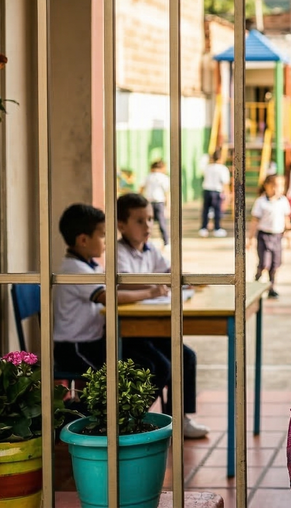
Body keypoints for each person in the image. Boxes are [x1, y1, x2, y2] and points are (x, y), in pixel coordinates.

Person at [114, 193, 210, 439]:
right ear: (121, 225)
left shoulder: (149, 249)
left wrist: (188, 280)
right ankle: (135, 419)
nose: (147, 226)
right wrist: (154, 287)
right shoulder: (119, 252)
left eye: (149, 219)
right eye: (139, 221)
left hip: (151, 328)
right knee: (161, 366)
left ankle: (180, 419)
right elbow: (123, 284)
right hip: (129, 332)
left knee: (186, 356)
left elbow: (169, 271)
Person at [52, 203, 166, 379]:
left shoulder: (90, 265)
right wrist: (150, 293)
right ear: (83, 240)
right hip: (75, 348)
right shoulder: (74, 270)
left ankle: (130, 407)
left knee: (151, 365)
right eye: (103, 235)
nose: (107, 240)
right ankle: (113, 407)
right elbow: (109, 297)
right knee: (142, 371)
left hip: (93, 342)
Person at [248, 175, 291, 298]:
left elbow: (286, 219)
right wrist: (250, 238)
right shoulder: (261, 202)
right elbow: (254, 221)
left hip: (277, 236)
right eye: (274, 186)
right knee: (264, 263)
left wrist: (289, 238)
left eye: (280, 186)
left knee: (275, 264)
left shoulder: (283, 201)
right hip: (264, 236)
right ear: (266, 186)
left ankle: (271, 287)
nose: (277, 189)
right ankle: (256, 279)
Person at [199, 150, 230, 237]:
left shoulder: (208, 167)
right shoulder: (223, 169)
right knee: (217, 210)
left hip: (207, 190)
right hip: (217, 191)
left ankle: (204, 228)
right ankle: (217, 228)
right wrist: (227, 195)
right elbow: (225, 183)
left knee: (206, 210)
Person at [141, 160, 171, 247]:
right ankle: (166, 242)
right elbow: (167, 192)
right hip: (159, 202)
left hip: (148, 202)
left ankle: (145, 241)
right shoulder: (163, 177)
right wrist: (168, 204)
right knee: (162, 223)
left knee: (147, 223)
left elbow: (141, 188)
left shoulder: (148, 177)